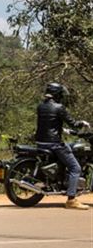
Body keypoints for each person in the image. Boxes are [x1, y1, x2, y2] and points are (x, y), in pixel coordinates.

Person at [35, 82, 91, 210]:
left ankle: (61, 178)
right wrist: (82, 123)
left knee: (69, 147)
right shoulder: (59, 107)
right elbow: (73, 123)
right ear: (57, 94)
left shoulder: (40, 106)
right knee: (75, 168)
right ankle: (71, 199)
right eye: (60, 94)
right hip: (54, 143)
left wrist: (62, 129)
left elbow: (49, 123)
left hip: (40, 142)